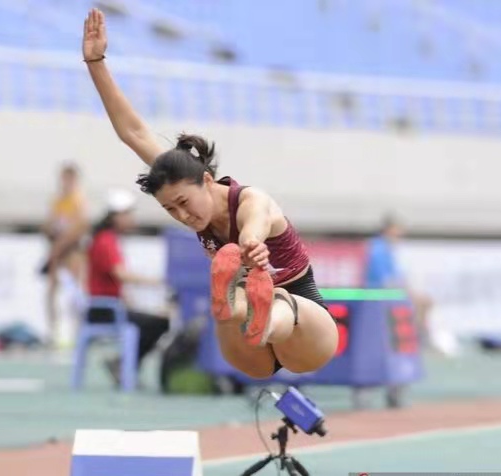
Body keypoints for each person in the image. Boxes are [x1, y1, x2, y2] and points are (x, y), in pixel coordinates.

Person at [81, 9, 338, 379]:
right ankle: (238, 305)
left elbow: (254, 226)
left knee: (280, 309)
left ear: (206, 180)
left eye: (183, 204)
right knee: (245, 336)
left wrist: (250, 247)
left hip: (302, 319)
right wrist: (95, 62)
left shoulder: (251, 200)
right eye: (171, 211)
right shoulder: (177, 177)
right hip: (250, 352)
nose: (183, 216)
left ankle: (258, 313)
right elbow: (133, 133)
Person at [87, 188, 170, 385]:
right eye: (128, 214)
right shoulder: (105, 240)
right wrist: (156, 282)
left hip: (109, 306)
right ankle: (124, 364)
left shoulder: (107, 238)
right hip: (103, 310)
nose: (132, 219)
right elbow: (121, 275)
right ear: (116, 216)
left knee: (154, 321)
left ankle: (124, 363)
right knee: (160, 323)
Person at [362, 214, 434, 408]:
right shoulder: (377, 249)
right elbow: (386, 282)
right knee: (420, 304)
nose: (400, 234)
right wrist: (410, 296)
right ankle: (421, 335)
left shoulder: (388, 250)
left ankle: (419, 335)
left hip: (391, 301)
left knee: (423, 302)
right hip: (379, 304)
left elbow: (398, 280)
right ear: (388, 229)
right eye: (397, 229)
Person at [41, 163, 90, 347]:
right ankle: (53, 331)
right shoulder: (58, 201)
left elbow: (81, 226)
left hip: (72, 251)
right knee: (52, 291)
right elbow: (48, 224)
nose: (65, 183)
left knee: (74, 291)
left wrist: (62, 244)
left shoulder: (79, 201)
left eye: (69, 179)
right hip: (57, 250)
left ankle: (77, 331)